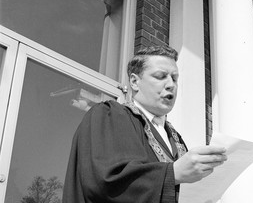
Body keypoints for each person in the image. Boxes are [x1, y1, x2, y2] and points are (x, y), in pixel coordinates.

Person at [62, 45, 227, 203]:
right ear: (134, 82)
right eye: (160, 76)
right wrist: (173, 173)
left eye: (175, 78)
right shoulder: (108, 115)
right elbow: (102, 181)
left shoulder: (175, 137)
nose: (171, 85)